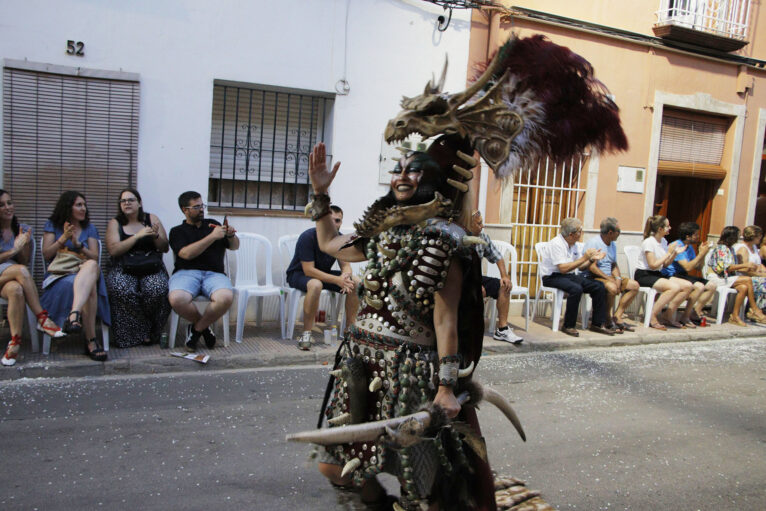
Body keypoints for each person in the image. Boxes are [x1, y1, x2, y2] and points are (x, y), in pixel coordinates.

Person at [41, 191, 111, 361]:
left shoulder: (90, 228)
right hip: (60, 276)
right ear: (68, 207)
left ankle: (74, 315)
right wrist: (64, 238)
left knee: (92, 265)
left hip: (85, 271)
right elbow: (46, 254)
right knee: (90, 288)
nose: (83, 208)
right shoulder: (53, 225)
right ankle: (91, 341)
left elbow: (94, 256)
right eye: (79, 205)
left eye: (84, 205)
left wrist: (79, 245)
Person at [168, 191, 239, 352]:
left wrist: (230, 235)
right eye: (196, 206)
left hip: (214, 274)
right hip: (186, 273)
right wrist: (212, 237)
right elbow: (186, 254)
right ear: (184, 210)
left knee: (225, 297)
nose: (201, 209)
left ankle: (196, 330)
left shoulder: (212, 224)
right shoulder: (177, 231)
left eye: (202, 205)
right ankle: (205, 329)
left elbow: (235, 246)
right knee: (177, 299)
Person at [0, 190, 65, 366]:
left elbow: (25, 260)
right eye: (2, 204)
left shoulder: (22, 229)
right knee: (20, 271)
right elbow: (19, 264)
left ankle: (14, 343)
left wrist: (23, 245)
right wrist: (13, 250)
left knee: (16, 289)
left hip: (8, 278)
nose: (8, 207)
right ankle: (43, 319)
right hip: (9, 271)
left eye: (9, 202)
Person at [286, 205, 359, 350]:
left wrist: (345, 276)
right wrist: (337, 280)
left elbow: (346, 265)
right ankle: (306, 333)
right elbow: (309, 270)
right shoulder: (308, 237)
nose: (333, 224)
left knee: (355, 282)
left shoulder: (341, 240)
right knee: (315, 285)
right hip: (299, 274)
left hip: (322, 275)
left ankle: (349, 331)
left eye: (337, 221)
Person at [105, 188, 171, 348]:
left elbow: (164, 247)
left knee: (157, 289)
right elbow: (114, 250)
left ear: (139, 203)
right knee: (121, 289)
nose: (126, 203)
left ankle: (152, 331)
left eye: (130, 200)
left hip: (150, 265)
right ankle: (135, 334)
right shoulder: (115, 223)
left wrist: (155, 236)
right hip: (123, 266)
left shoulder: (151, 218)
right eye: (123, 201)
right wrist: (138, 236)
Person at [539, 217, 615, 337]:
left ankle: (597, 323)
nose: (581, 234)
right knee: (576, 289)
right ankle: (568, 325)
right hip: (552, 277)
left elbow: (580, 267)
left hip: (568, 275)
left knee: (598, 286)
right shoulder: (556, 243)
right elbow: (563, 268)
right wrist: (584, 257)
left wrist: (591, 260)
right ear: (571, 234)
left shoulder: (573, 244)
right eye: (580, 231)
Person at [469, 210, 523, 343]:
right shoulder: (458, 238)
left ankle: (502, 330)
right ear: (468, 224)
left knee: (504, 286)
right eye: (479, 223)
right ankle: (468, 329)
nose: (482, 226)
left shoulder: (483, 237)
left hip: (476, 276)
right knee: (475, 290)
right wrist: (474, 284)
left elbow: (498, 257)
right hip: (460, 280)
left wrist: (505, 276)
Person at [633, 216, 693, 330]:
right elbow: (653, 264)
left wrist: (674, 253)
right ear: (660, 229)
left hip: (657, 273)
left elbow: (665, 264)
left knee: (687, 286)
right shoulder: (649, 242)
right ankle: (652, 316)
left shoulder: (664, 241)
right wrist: (668, 253)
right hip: (644, 274)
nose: (670, 228)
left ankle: (668, 315)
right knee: (674, 288)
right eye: (667, 226)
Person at [582, 217, 638, 333]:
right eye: (619, 231)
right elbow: (591, 267)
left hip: (609, 276)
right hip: (595, 276)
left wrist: (617, 278)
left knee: (634, 286)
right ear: (610, 232)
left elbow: (613, 264)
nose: (619, 234)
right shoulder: (594, 243)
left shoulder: (612, 244)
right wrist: (609, 279)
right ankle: (607, 319)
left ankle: (617, 316)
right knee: (612, 288)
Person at [706, 226, 766, 326]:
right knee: (747, 280)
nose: (739, 238)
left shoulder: (731, 249)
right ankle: (754, 309)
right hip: (717, 278)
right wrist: (745, 265)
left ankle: (735, 316)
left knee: (743, 287)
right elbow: (724, 269)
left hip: (727, 278)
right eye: (737, 236)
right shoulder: (722, 249)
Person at [661, 221, 718, 324]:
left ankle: (695, 312)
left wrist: (703, 254)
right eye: (696, 234)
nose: (698, 236)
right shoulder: (678, 245)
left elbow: (698, 267)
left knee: (711, 286)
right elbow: (687, 267)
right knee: (699, 287)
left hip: (682, 275)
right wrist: (701, 254)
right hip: (672, 275)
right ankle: (685, 316)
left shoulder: (690, 247)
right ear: (688, 236)